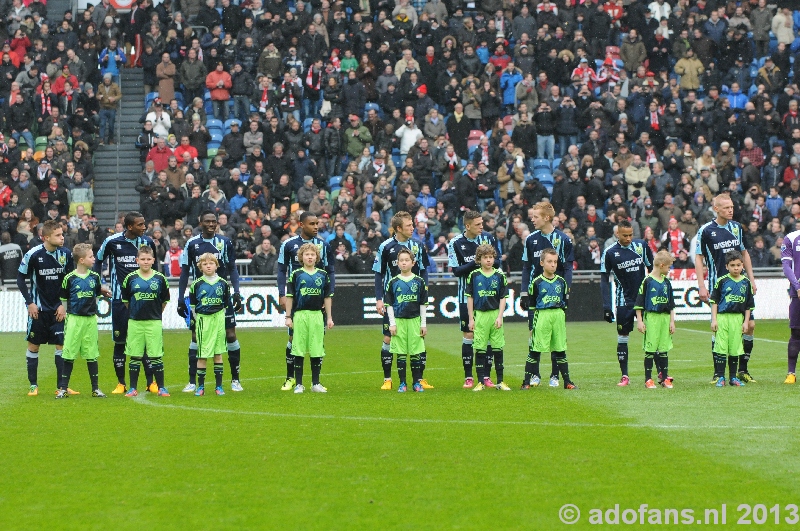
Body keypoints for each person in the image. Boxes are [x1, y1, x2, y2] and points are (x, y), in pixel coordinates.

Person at [177, 211, 244, 393]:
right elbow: (184, 272)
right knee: (196, 337)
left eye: (214, 221)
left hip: (222, 295)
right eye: (207, 221)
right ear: (200, 222)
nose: (211, 224)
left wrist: (236, 292)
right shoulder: (192, 244)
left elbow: (232, 268)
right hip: (200, 297)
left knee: (230, 335)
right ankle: (192, 381)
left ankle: (235, 380)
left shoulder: (225, 242)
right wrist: (180, 297)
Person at [695, 195, 757, 383]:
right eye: (727, 207)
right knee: (720, 329)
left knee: (749, 326)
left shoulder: (736, 228)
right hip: (719, 287)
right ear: (716, 209)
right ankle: (718, 372)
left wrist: (751, 279)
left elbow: (745, 254)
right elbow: (699, 257)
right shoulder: (706, 231)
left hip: (740, 284)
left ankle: (742, 370)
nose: (731, 210)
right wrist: (701, 285)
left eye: (732, 207)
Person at [95, 211, 158, 394]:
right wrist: (100, 284)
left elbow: (156, 267)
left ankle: (150, 382)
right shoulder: (112, 242)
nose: (144, 227)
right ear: (130, 226)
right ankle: (121, 383)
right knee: (120, 342)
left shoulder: (147, 242)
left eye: (144, 224)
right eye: (140, 224)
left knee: (146, 342)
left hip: (143, 300)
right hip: (119, 301)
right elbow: (98, 261)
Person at [373, 211, 432, 390]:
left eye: (412, 225)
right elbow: (378, 273)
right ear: (398, 228)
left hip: (413, 301)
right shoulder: (386, 246)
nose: (412, 228)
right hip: (394, 302)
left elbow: (424, 272)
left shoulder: (418, 245)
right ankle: (387, 379)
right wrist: (378, 299)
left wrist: (424, 292)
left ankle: (419, 379)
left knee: (417, 339)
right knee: (389, 338)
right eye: (408, 226)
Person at [276, 211, 335, 391]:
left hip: (316, 299)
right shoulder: (288, 245)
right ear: (301, 225)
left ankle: (314, 381)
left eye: (317, 223)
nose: (316, 227)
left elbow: (330, 271)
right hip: (297, 300)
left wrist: (329, 294)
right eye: (312, 224)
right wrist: (282, 294)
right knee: (294, 338)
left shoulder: (324, 245)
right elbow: (281, 270)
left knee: (316, 340)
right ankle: (291, 378)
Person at [17, 220, 74, 396]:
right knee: (34, 346)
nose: (62, 237)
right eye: (58, 235)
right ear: (46, 237)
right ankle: (33, 385)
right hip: (38, 310)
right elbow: (20, 279)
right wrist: (30, 303)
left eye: (62, 233)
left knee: (61, 346)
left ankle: (61, 387)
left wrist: (64, 305)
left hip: (58, 310)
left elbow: (69, 281)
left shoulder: (66, 254)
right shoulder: (33, 254)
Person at [521, 202, 574, 387]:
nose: (532, 219)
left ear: (546, 218)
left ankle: (554, 375)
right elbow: (527, 267)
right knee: (533, 334)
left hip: (556, 294)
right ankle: (534, 375)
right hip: (537, 295)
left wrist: (566, 290)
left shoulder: (563, 240)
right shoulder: (530, 239)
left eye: (535, 216)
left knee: (555, 337)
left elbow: (568, 268)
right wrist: (523, 292)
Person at [447, 210, 501, 388]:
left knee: (486, 336)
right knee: (469, 334)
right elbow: (456, 271)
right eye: (478, 224)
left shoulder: (488, 238)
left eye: (482, 223)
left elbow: (498, 262)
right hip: (466, 296)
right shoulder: (455, 243)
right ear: (467, 226)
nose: (482, 227)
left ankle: (486, 376)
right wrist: (476, 262)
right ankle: (468, 376)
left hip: (488, 295)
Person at [600, 219, 654, 386]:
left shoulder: (642, 246)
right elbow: (604, 279)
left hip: (644, 300)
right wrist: (606, 306)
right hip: (624, 301)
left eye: (631, 235)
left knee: (653, 336)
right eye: (625, 235)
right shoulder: (609, 252)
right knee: (623, 337)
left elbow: (653, 270)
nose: (629, 238)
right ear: (618, 234)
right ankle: (625, 376)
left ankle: (656, 375)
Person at [56, 243, 110, 399]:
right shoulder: (70, 278)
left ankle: (95, 389)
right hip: (74, 320)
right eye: (91, 256)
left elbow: (97, 294)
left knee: (91, 353)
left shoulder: (95, 277)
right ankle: (63, 389)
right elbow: (64, 299)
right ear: (81, 260)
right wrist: (66, 314)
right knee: (69, 353)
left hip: (90, 320)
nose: (94, 259)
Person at [120, 246, 170, 397]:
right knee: (135, 355)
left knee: (155, 355)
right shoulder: (130, 279)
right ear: (137, 260)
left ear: (153, 260)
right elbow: (126, 301)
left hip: (153, 322)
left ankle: (161, 387)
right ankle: (132, 388)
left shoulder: (160, 278)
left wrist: (155, 313)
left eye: (149, 259)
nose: (146, 262)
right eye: (142, 259)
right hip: (135, 322)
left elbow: (164, 300)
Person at [284, 243, 334, 394]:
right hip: (300, 315)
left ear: (317, 257)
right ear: (301, 257)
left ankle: (315, 383)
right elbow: (290, 296)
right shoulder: (296, 274)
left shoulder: (323, 275)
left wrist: (329, 317)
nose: (310, 257)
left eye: (313, 254)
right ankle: (299, 384)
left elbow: (327, 297)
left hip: (317, 315)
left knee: (316, 349)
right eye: (307, 254)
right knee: (298, 349)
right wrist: (288, 316)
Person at [466, 244, 511, 392]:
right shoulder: (474, 276)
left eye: (491, 257)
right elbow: (470, 298)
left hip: (494, 314)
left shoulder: (499, 276)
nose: (489, 260)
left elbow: (503, 298)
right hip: (480, 315)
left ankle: (500, 381)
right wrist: (471, 319)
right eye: (485, 257)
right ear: (479, 259)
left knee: (498, 347)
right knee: (480, 348)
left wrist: (500, 316)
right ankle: (480, 382)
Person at [188, 253, 231, 396]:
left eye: (211, 263)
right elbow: (193, 306)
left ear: (216, 265)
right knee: (202, 354)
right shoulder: (196, 284)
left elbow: (225, 304)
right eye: (205, 264)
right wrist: (200, 318)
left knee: (218, 353)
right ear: (200, 267)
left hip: (218, 319)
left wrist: (218, 317)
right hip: (203, 320)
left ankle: (219, 386)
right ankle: (201, 386)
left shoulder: (223, 284)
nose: (208, 266)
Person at [709, 251, 755, 387]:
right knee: (722, 347)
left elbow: (749, 306)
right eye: (732, 265)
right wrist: (714, 319)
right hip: (723, 317)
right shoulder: (721, 281)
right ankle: (721, 377)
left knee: (735, 348)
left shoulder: (746, 283)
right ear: (727, 266)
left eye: (739, 265)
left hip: (737, 319)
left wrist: (746, 322)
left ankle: (733, 378)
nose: (736, 268)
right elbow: (714, 301)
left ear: (743, 266)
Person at [385, 247, 428, 393]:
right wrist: (392, 323)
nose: (404, 263)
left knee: (416, 353)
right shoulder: (393, 282)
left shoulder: (419, 281)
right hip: (399, 321)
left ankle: (416, 382)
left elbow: (423, 304)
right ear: (397, 263)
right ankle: (402, 383)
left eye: (407, 260)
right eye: (401, 260)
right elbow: (389, 304)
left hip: (415, 321)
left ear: (413, 262)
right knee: (401, 353)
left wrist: (423, 324)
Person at [634, 250, 676, 389]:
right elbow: (639, 303)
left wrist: (671, 321)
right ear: (662, 265)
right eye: (669, 267)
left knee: (663, 349)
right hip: (651, 317)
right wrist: (640, 321)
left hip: (664, 318)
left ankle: (664, 378)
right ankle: (648, 379)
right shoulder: (648, 281)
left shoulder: (667, 283)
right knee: (650, 349)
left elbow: (671, 304)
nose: (670, 270)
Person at [781, 227, 800, 384]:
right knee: (796, 332)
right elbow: (787, 266)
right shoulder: (791, 238)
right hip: (798, 292)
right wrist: (797, 286)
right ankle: (791, 373)